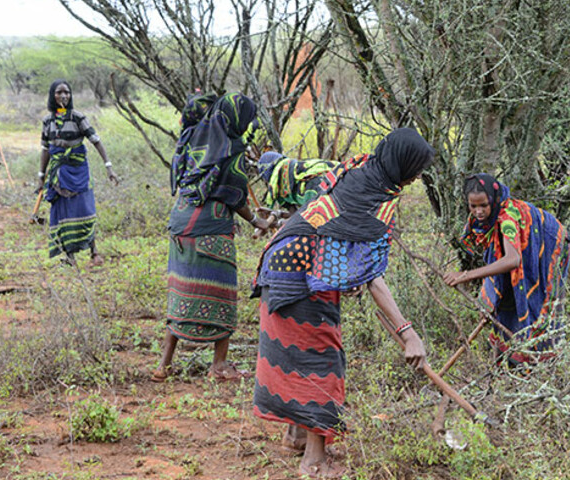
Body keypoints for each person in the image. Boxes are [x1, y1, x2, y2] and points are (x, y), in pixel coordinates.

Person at [252, 127, 434, 478]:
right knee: (323, 360)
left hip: (282, 264)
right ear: (403, 163)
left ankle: (297, 435)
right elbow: (373, 278)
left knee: (302, 354)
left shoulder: (362, 170)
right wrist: (408, 332)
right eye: (416, 168)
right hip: (299, 277)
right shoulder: (373, 196)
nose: (417, 177)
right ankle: (315, 462)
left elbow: (340, 244)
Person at [152, 93, 274, 383]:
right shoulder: (229, 145)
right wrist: (259, 221)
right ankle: (219, 366)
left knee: (181, 291)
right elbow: (233, 195)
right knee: (221, 292)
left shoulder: (193, 134)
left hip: (180, 222)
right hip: (210, 227)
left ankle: (164, 365)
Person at [443, 174, 570, 366]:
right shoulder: (489, 215)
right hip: (523, 246)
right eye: (473, 206)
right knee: (507, 293)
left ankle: (538, 360)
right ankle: (506, 358)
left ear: (493, 201)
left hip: (549, 245)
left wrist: (465, 275)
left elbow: (512, 259)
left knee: (536, 297)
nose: (478, 211)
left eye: (483, 205)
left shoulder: (507, 218)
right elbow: (498, 257)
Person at [38, 79, 119, 265]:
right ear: (52, 95)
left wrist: (109, 167)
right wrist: (41, 177)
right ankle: (69, 257)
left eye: (67, 92)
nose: (63, 96)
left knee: (85, 208)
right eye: (59, 92)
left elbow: (96, 141)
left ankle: (94, 251)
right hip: (59, 173)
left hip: (78, 172)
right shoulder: (48, 121)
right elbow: (45, 149)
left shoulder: (78, 117)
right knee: (62, 211)